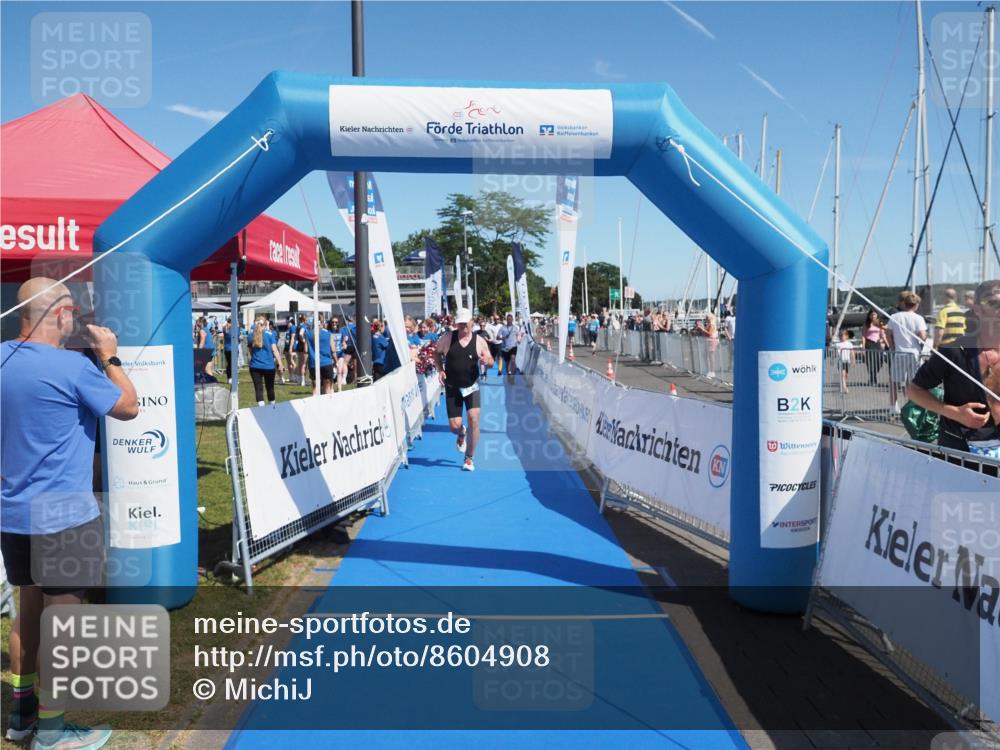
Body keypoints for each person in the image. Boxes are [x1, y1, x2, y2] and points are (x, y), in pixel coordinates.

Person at [2, 278, 139, 750]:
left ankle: (21, 720)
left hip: (14, 512)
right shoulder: (71, 367)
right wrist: (110, 355)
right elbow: (129, 406)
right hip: (64, 513)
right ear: (58, 315)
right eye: (72, 316)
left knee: (28, 610)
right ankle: (53, 733)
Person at [907, 279, 1000, 456]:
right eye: (995, 302)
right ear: (978, 310)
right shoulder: (955, 351)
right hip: (960, 450)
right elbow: (914, 389)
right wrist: (954, 413)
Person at [433, 308, 494, 472]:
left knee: (474, 418)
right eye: (459, 324)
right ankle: (461, 433)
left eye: (465, 324)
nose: (463, 327)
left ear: (471, 323)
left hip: (472, 386)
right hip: (452, 387)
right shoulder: (447, 338)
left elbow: (490, 361)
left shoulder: (479, 341)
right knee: (454, 426)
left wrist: (486, 361)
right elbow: (436, 353)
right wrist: (440, 369)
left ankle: (469, 458)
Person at [886, 290, 928, 415]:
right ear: (916, 305)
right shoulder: (918, 318)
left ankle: (893, 406)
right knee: (914, 382)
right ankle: (912, 405)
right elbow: (922, 336)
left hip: (899, 352)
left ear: (904, 304)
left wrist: (892, 346)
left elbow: (888, 334)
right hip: (914, 352)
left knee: (894, 380)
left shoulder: (894, 317)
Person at [248, 317, 283, 405]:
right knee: (270, 388)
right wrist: (280, 364)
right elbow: (275, 350)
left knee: (258, 389)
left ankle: (261, 410)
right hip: (269, 366)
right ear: (265, 324)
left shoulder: (251, 335)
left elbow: (251, 351)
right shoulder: (270, 334)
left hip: (255, 366)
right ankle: (273, 409)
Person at [304, 316, 336, 395]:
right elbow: (333, 349)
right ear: (322, 323)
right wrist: (336, 361)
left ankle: (315, 403)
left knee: (315, 386)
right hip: (326, 362)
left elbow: (305, 350)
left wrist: (304, 364)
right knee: (327, 386)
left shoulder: (308, 333)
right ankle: (328, 404)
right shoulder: (328, 334)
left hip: (313, 362)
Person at [861, 309, 889, 385]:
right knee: (870, 362)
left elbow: (883, 334)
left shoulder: (880, 323)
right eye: (871, 314)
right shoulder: (866, 324)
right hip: (869, 343)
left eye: (874, 314)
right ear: (869, 316)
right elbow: (863, 335)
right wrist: (863, 346)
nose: (873, 316)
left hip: (877, 344)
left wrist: (887, 344)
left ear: (877, 315)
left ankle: (874, 374)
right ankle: (873, 378)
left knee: (879, 361)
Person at [498, 313, 523, 380]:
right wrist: (502, 338)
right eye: (508, 319)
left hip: (513, 346)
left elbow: (518, 335)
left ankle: (511, 373)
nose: (509, 320)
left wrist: (519, 339)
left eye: (511, 319)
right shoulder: (502, 328)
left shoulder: (515, 328)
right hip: (505, 348)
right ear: (506, 320)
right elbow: (497, 337)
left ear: (512, 320)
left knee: (513, 358)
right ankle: (509, 373)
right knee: (508, 361)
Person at [834, 329, 855, 393]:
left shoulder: (849, 344)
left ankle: (843, 384)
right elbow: (834, 352)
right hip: (840, 361)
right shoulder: (837, 344)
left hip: (847, 361)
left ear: (846, 336)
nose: (841, 337)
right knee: (843, 374)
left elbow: (852, 352)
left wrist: (853, 360)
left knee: (846, 375)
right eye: (839, 336)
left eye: (842, 335)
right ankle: (845, 387)